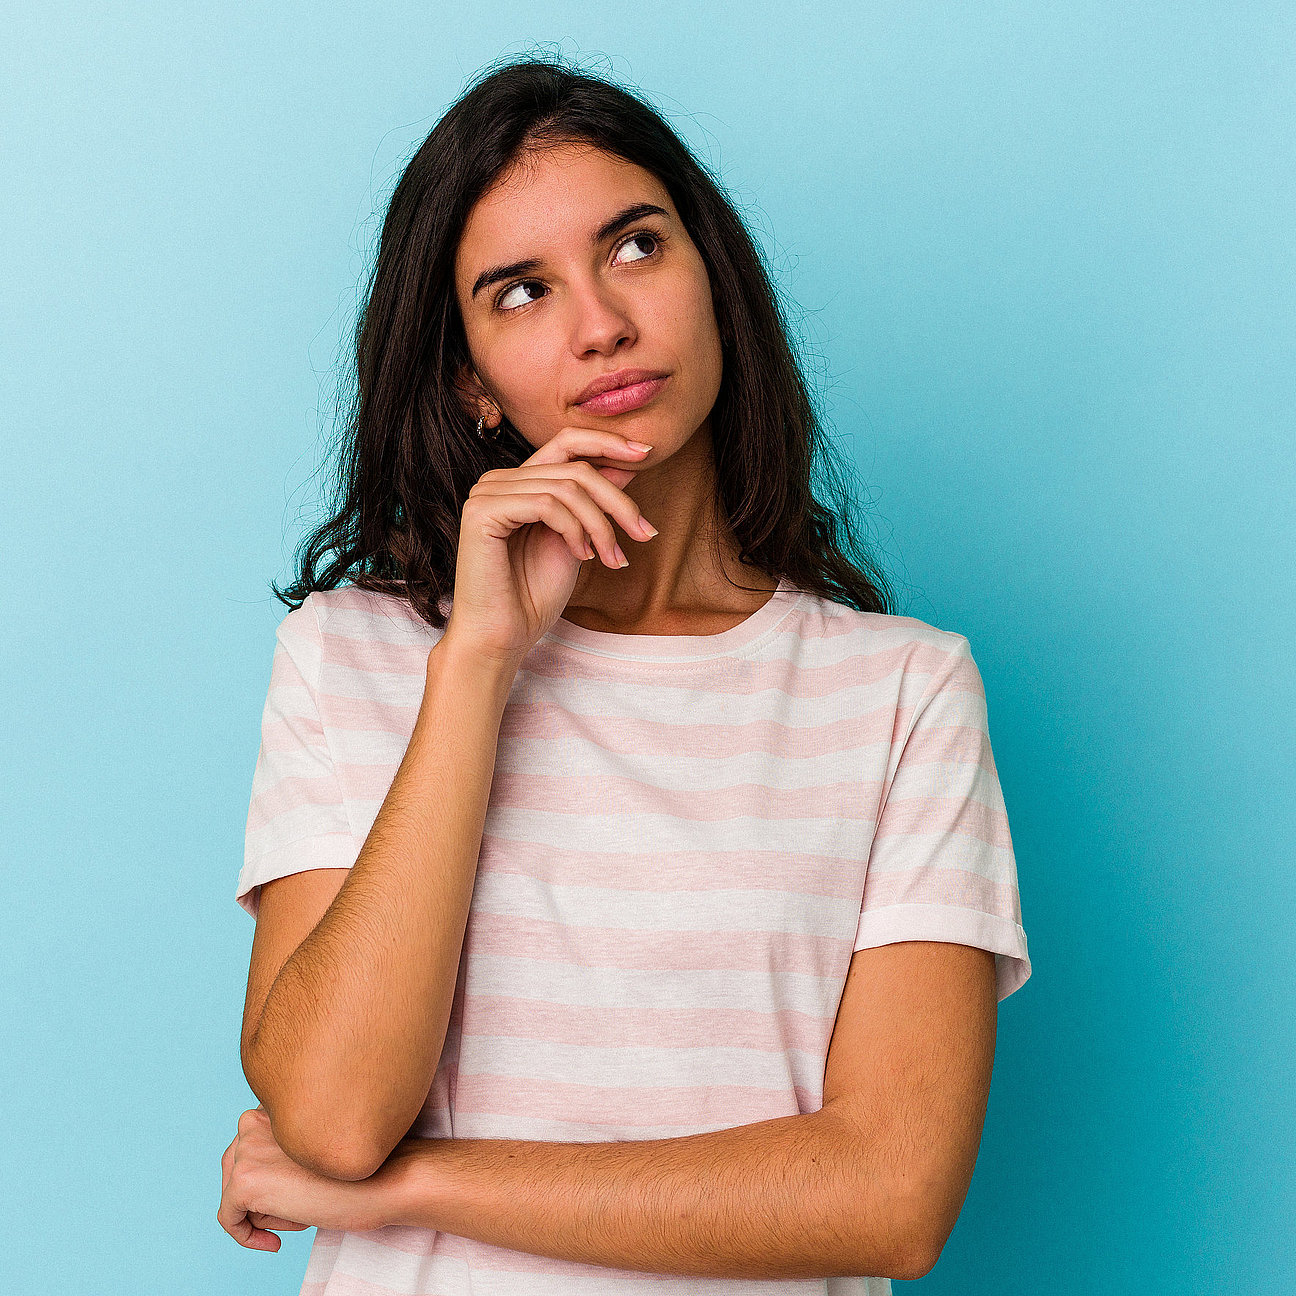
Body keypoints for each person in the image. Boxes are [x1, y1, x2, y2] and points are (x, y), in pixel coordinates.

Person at [221, 53, 1031, 1296]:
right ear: (466, 380)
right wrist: (480, 661)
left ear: (713, 279)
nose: (599, 321)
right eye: (519, 292)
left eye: (637, 247)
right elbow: (331, 1114)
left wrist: (415, 1186)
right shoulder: (353, 658)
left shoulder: (900, 695)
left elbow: (889, 1197)